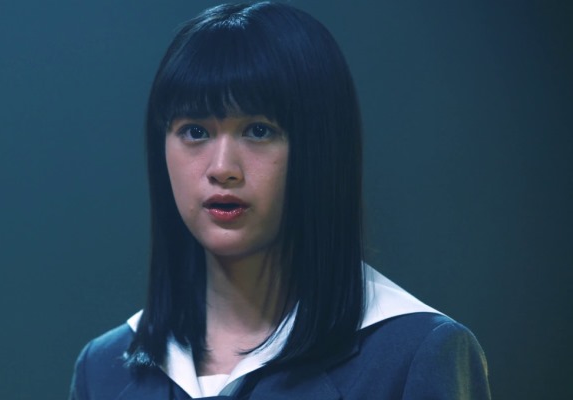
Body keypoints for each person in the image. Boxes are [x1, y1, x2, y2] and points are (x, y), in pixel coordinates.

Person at [69, 2, 491, 399]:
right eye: (195, 131)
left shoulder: (415, 353)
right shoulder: (102, 369)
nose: (223, 168)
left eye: (258, 130)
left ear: (321, 148)